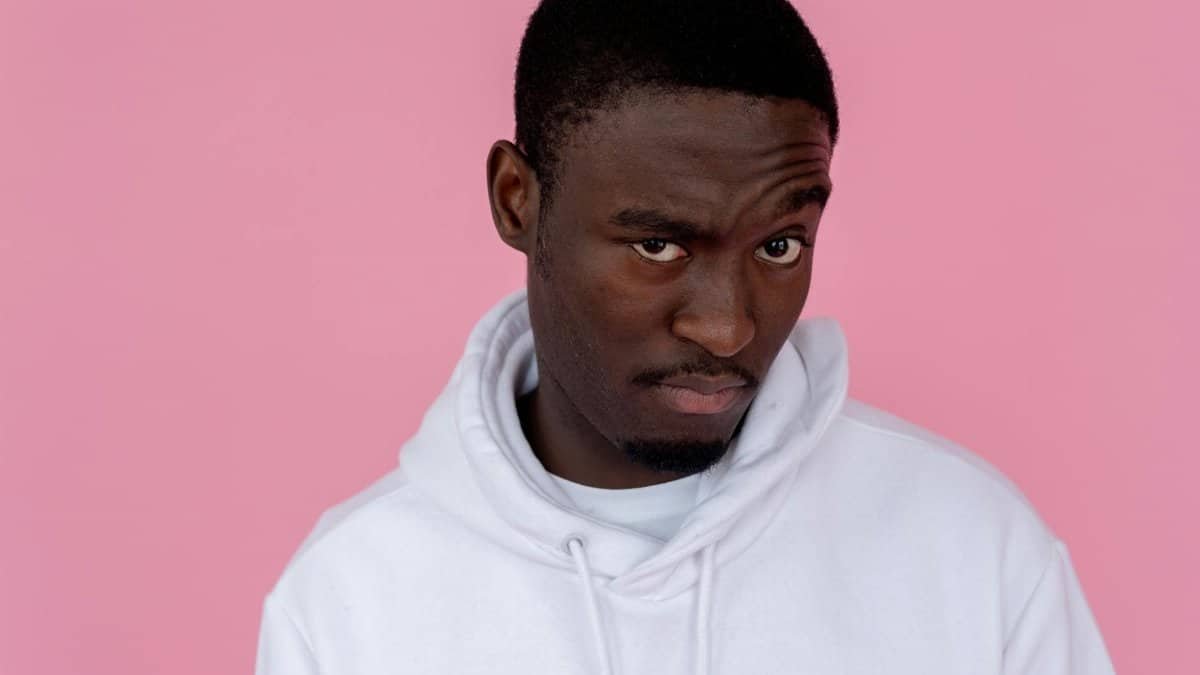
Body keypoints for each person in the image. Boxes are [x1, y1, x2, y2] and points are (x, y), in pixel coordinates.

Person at [255, 1, 1116, 673]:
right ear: (518, 200)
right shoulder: (349, 600)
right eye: (658, 245)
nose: (728, 325)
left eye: (779, 246)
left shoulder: (973, 548)